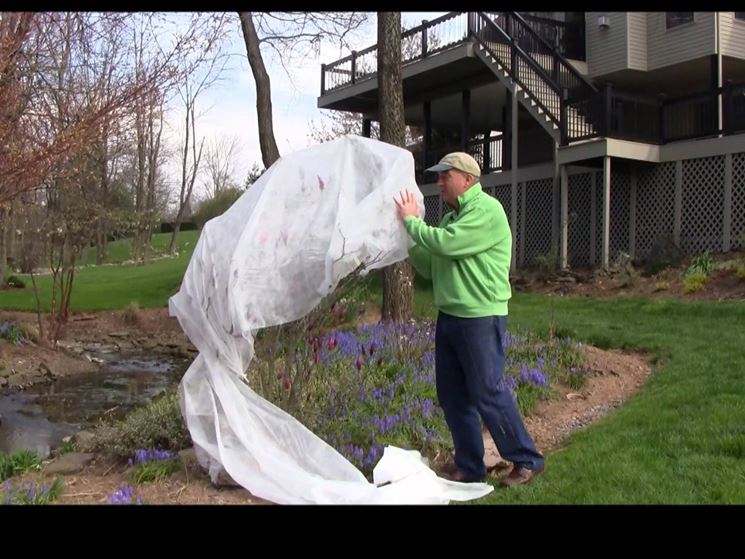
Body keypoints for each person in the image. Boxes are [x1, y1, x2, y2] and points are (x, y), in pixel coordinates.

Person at [394, 152, 544, 487]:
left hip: (479, 316)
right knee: (452, 396)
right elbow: (431, 264)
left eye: (444, 176)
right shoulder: (451, 219)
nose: (438, 183)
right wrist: (406, 236)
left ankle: (527, 460)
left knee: (486, 392)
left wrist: (412, 223)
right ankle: (470, 466)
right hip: (450, 316)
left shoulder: (487, 211)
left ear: (465, 178)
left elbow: (447, 244)